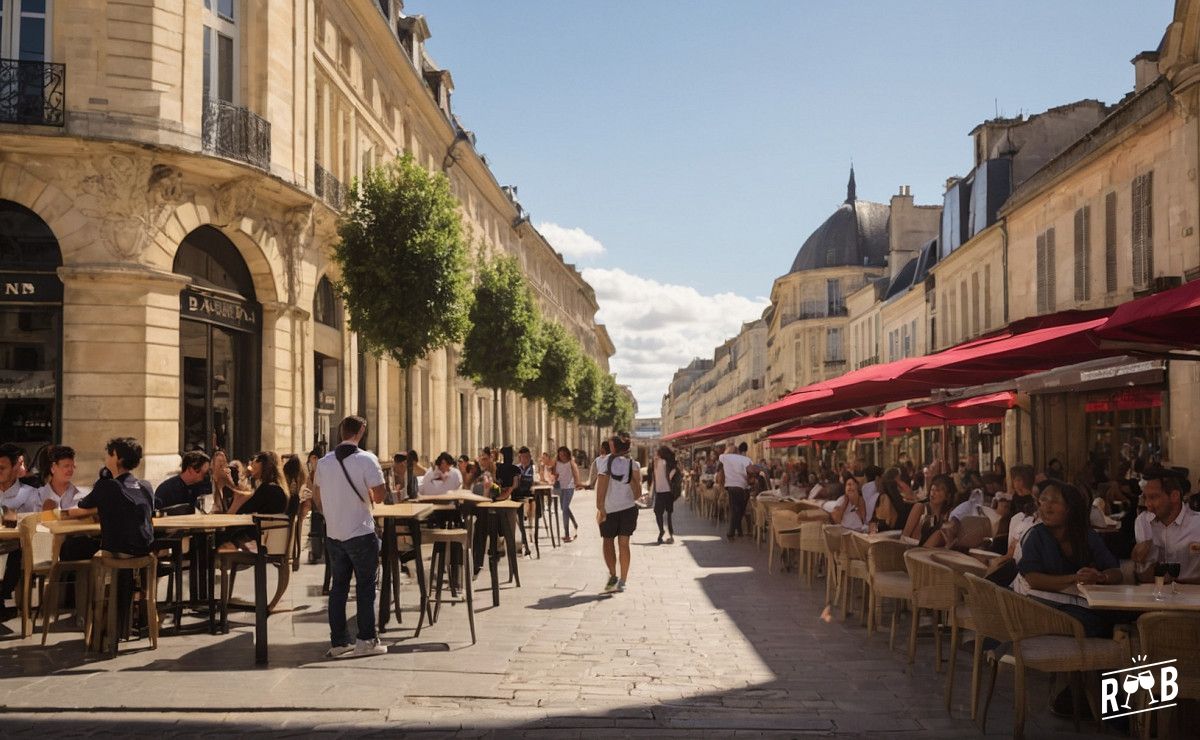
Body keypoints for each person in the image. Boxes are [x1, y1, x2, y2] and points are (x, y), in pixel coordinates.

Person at [312, 415, 387, 658]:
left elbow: (317, 497)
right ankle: (366, 640)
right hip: (361, 531)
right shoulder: (367, 459)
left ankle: (338, 642)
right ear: (361, 431)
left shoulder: (324, 462)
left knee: (338, 588)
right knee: (365, 587)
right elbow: (380, 496)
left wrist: (332, 515)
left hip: (334, 534)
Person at [1014, 479, 1125, 637]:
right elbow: (1033, 579)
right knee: (1097, 624)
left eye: (1054, 502)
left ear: (1070, 508)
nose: (1046, 507)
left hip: (1078, 603)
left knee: (1120, 617)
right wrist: (1075, 578)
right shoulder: (1035, 536)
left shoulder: (1086, 535)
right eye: (1043, 500)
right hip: (1041, 605)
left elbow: (1116, 572)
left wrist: (1101, 576)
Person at [1132, 470, 1200, 584]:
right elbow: (1145, 577)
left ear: (1174, 496)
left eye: (1153, 497)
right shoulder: (1143, 522)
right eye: (1145, 498)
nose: (1147, 504)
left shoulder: (1197, 523)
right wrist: (1139, 562)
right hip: (1156, 596)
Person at [218, 450, 290, 551]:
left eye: (254, 461)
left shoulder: (268, 489)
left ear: (262, 464)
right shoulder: (276, 487)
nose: (250, 465)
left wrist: (238, 497)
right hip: (270, 537)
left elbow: (242, 511)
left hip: (260, 540)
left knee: (220, 538)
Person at [596, 432, 640, 593]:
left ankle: (613, 575)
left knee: (608, 542)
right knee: (624, 544)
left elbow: (601, 487)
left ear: (613, 447)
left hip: (610, 509)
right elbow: (637, 493)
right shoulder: (632, 464)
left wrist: (600, 509)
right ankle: (623, 581)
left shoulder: (606, 462)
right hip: (629, 509)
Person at [0, 442, 40, 611]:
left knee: (17, 550)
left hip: (15, 546)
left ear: (16, 467)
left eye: (2, 468)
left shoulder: (29, 494)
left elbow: (33, 527)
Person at [902, 473, 956, 547]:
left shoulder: (947, 515)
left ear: (947, 496)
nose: (933, 493)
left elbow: (949, 541)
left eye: (938, 490)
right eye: (932, 489)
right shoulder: (920, 508)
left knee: (940, 534)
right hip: (911, 549)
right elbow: (905, 536)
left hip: (931, 554)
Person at [718, 441, 753, 540]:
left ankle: (738, 531)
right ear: (745, 450)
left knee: (735, 510)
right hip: (742, 487)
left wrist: (730, 449)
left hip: (730, 486)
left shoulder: (727, 457)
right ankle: (731, 533)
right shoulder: (747, 459)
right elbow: (751, 472)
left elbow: (721, 457)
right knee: (739, 511)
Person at [36, 445, 82, 511]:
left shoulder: (80, 498)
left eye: (72, 466)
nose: (70, 470)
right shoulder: (38, 496)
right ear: (53, 467)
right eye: (66, 466)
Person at [651, 445, 682, 544]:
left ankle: (662, 531)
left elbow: (658, 475)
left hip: (662, 492)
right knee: (668, 514)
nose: (656, 453)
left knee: (658, 512)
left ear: (661, 454)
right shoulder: (665, 463)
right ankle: (670, 535)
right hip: (668, 492)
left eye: (657, 451)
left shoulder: (661, 462)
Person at [553, 446, 582, 542]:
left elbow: (576, 473)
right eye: (560, 454)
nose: (562, 456)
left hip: (569, 487)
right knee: (564, 508)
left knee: (565, 508)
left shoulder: (571, 463)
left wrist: (578, 484)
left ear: (567, 454)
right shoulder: (556, 463)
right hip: (561, 488)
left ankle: (567, 534)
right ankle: (574, 523)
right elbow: (555, 474)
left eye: (564, 454)